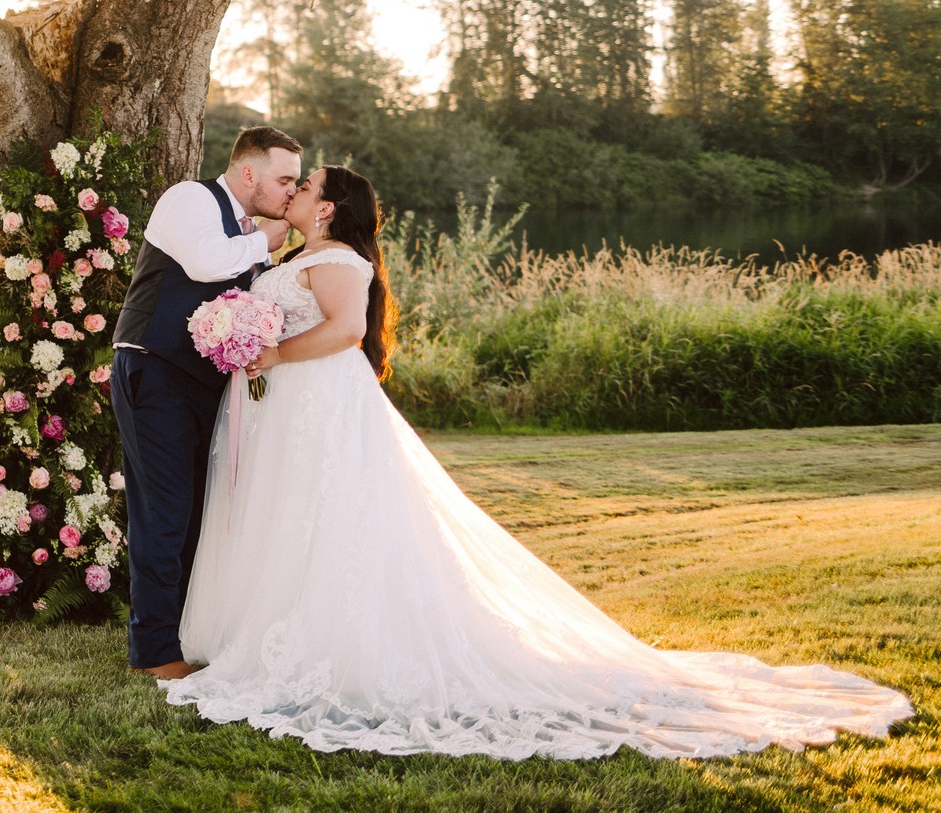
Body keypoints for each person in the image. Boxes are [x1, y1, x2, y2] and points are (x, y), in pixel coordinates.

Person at [164, 164, 912, 758]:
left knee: (332, 521)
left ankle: (336, 649)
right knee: (292, 520)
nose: (294, 192)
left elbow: (346, 331)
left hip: (321, 405)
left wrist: (272, 352)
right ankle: (269, 633)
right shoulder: (300, 252)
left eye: (306, 187)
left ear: (327, 209)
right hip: (288, 409)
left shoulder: (338, 260)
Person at [109, 126, 301, 679]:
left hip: (205, 384)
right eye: (284, 179)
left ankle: (183, 635)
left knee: (197, 512)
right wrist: (267, 240)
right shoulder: (191, 198)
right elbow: (205, 263)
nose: (291, 191)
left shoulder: (250, 234)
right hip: (155, 369)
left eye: (296, 182)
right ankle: (153, 654)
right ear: (248, 172)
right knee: (164, 513)